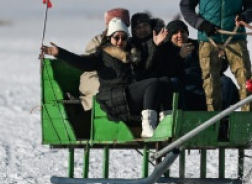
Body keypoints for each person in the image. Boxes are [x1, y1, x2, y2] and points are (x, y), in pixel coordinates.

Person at [41, 16, 172, 138]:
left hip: (128, 95)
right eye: (116, 37)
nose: (120, 41)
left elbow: (146, 69)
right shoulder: (102, 55)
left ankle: (166, 124)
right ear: (110, 38)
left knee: (164, 82)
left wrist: (155, 45)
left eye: (124, 37)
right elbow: (82, 63)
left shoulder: (132, 54)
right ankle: (148, 127)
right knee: (153, 83)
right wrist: (60, 53)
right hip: (112, 98)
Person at [179, 0, 252, 111]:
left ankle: (249, 125)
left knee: (247, 80)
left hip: (235, 37)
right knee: (211, 84)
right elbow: (185, 6)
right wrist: (201, 24)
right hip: (209, 39)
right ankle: (214, 124)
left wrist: (245, 16)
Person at [146, 19, 240, 111]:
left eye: (183, 32)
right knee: (173, 82)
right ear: (170, 36)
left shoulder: (198, 46)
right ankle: (184, 119)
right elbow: (160, 72)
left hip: (204, 90)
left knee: (225, 81)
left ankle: (220, 116)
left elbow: (217, 69)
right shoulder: (165, 49)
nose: (180, 35)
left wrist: (222, 57)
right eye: (175, 33)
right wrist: (179, 57)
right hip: (183, 95)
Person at [78, 8, 129, 111]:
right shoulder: (97, 41)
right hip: (93, 76)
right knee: (104, 89)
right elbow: (90, 62)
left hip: (117, 79)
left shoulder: (126, 41)